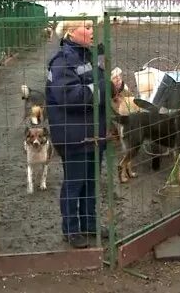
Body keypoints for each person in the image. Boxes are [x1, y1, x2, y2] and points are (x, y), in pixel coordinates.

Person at [46, 19, 114, 249]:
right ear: (70, 32)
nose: (92, 31)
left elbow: (98, 85)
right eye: (86, 27)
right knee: (74, 184)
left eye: (92, 27)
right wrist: (107, 88)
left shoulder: (86, 56)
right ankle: (71, 230)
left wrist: (114, 85)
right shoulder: (62, 62)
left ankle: (89, 224)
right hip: (73, 137)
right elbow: (71, 98)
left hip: (93, 135)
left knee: (90, 183)